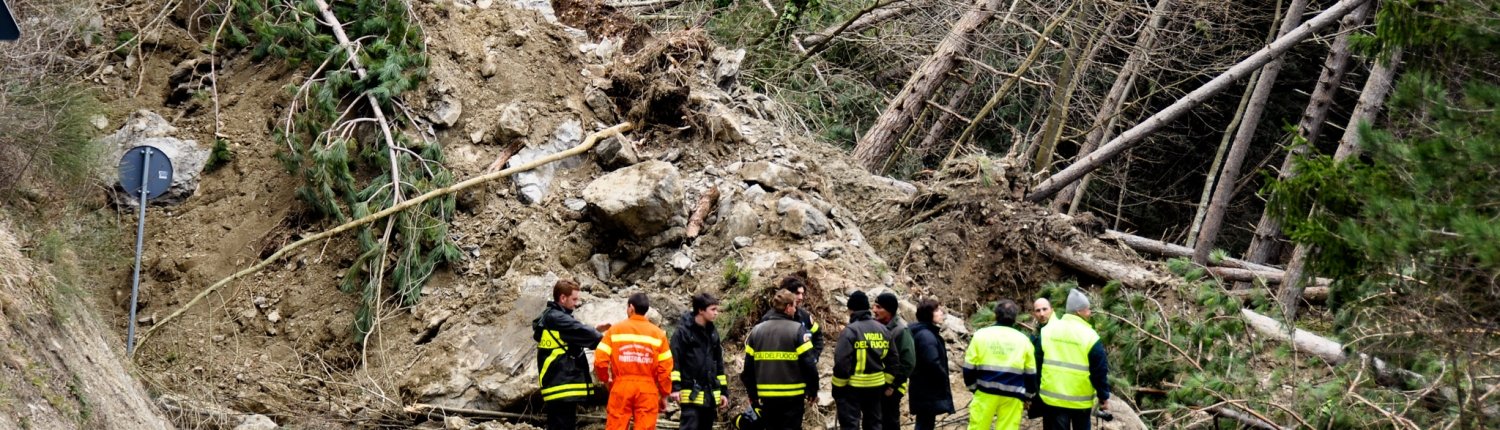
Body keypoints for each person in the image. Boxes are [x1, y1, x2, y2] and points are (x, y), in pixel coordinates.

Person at [533, 279, 611, 430]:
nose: (576, 303)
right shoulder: (559, 318)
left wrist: (594, 329)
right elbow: (587, 335)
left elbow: (569, 337)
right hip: (562, 383)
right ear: (563, 298)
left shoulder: (550, 317)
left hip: (556, 383)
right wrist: (606, 335)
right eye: (574, 299)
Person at [595, 293, 674, 430]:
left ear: (631, 308)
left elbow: (600, 360)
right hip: (647, 390)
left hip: (621, 387)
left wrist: (606, 380)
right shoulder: (658, 335)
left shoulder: (615, 331)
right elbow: (665, 370)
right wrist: (664, 394)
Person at [742, 289, 819, 430]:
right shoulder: (797, 330)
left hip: (767, 398)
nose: (796, 310)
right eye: (794, 306)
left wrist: (752, 395)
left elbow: (748, 369)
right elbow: (809, 363)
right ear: (788, 307)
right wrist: (813, 390)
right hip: (792, 397)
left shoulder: (756, 331)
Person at [1037, 289, 1111, 430]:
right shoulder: (1090, 336)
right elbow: (1099, 371)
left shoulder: (1047, 331)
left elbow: (1038, 363)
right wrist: (1103, 396)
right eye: (1087, 310)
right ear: (1078, 312)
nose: (1089, 313)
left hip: (1053, 401)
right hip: (1080, 403)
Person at [963, 299, 1037, 430]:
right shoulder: (1024, 341)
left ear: (996, 315)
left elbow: (969, 368)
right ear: (1015, 318)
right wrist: (1028, 396)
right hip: (1013, 394)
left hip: (985, 392)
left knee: (978, 427)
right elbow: (1031, 373)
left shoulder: (981, 335)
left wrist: (973, 388)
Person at [832, 291, 891, 430]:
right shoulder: (883, 330)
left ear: (851, 310)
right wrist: (888, 383)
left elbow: (841, 362)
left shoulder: (850, 331)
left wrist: (838, 388)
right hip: (876, 387)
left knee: (851, 424)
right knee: (874, 424)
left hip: (852, 388)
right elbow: (893, 359)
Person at [670, 293, 729, 430]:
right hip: (691, 395)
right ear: (701, 310)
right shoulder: (683, 333)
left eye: (717, 309)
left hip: (710, 395)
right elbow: (674, 362)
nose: (716, 313)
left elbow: (718, 364)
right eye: (713, 309)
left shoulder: (713, 332)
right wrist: (675, 388)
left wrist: (723, 392)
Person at [908, 299, 954, 430]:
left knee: (925, 421)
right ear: (929, 314)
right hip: (927, 388)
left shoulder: (924, 332)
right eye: (937, 310)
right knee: (925, 423)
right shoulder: (926, 335)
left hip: (923, 388)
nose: (941, 313)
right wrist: (943, 375)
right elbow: (932, 362)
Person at [873, 292, 916, 430]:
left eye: (879, 307)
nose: (874, 310)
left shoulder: (901, 331)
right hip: (878, 386)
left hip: (892, 390)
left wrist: (893, 385)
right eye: (874, 306)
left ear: (889, 311)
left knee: (890, 422)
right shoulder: (877, 326)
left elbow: (908, 362)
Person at [780, 272, 825, 362]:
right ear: (786, 293)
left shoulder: (804, 316)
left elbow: (818, 336)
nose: (801, 297)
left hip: (801, 371)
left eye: (802, 294)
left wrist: (814, 357)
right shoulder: (770, 318)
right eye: (797, 293)